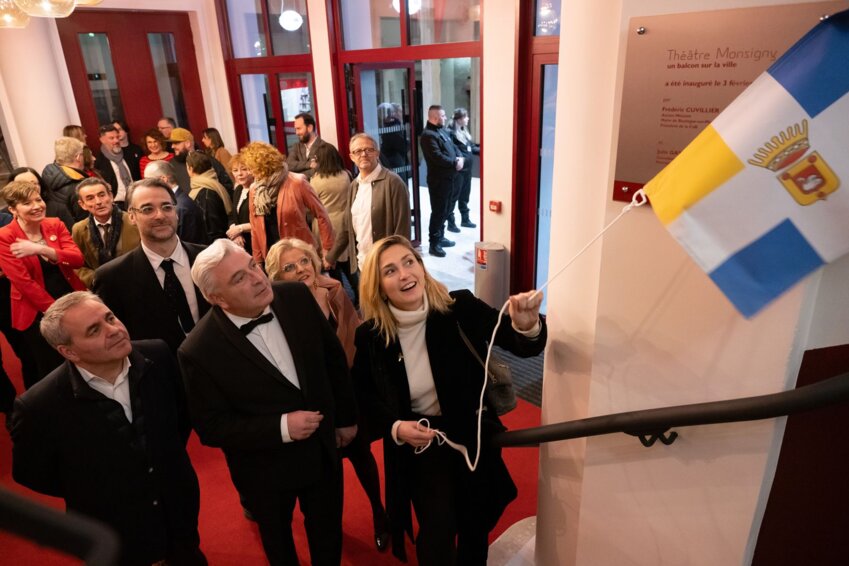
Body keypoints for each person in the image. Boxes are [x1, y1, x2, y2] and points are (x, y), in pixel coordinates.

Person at [352, 235, 547, 565]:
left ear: (422, 267)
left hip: (471, 434)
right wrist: (396, 427)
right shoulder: (372, 336)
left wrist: (527, 325)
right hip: (422, 442)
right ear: (378, 286)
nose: (404, 274)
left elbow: (519, 344)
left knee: (475, 523)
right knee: (437, 529)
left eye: (409, 262)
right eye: (390, 270)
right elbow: (363, 395)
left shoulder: (459, 309)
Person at [178, 239, 358, 566]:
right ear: (216, 298)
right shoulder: (198, 350)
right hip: (263, 469)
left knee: (327, 530)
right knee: (278, 541)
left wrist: (346, 417)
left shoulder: (295, 295)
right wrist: (282, 427)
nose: (258, 278)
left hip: (322, 448)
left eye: (252, 265)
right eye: (239, 279)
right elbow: (211, 427)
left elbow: (333, 359)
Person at [8, 291, 206, 566]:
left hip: (179, 513)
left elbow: (180, 420)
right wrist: (95, 487)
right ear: (68, 351)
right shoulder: (38, 406)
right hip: (114, 534)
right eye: (94, 330)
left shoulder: (158, 354)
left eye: (110, 317)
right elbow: (33, 474)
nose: (113, 330)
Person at [266, 237, 389, 551]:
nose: (301, 270)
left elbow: (354, 331)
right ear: (278, 278)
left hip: (348, 391)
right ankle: (328, 527)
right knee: (326, 472)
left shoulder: (333, 289)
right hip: (312, 401)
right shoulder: (276, 309)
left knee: (363, 457)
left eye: (304, 261)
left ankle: (380, 515)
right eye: (289, 268)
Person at [93, 178, 210, 353]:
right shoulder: (112, 278)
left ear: (176, 211)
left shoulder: (208, 258)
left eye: (167, 207)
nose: (160, 215)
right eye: (148, 209)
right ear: (131, 216)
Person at [0, 181, 86, 386]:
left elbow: (77, 260)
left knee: (84, 355)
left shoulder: (54, 223)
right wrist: (57, 314)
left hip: (69, 295)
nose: (37, 206)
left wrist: (42, 250)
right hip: (36, 310)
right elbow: (24, 284)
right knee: (53, 368)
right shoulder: (5, 237)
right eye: (27, 203)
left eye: (38, 199)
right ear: (13, 209)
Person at [325, 133, 410, 301]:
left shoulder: (393, 182)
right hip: (363, 265)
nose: (363, 154)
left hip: (386, 266)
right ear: (351, 157)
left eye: (368, 150)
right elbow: (347, 227)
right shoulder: (353, 186)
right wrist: (330, 257)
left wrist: (398, 266)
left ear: (377, 153)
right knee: (373, 311)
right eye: (357, 151)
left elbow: (402, 231)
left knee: (391, 310)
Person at [239, 141, 334, 265]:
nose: (250, 173)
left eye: (251, 168)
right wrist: (258, 261)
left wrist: (327, 249)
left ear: (263, 165)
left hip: (300, 254)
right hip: (272, 258)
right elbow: (256, 229)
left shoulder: (297, 182)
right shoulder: (255, 189)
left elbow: (322, 215)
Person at [307, 142, 356, 301]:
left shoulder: (316, 180)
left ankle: (341, 299)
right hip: (344, 222)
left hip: (325, 224)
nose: (312, 162)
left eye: (315, 159)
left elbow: (311, 207)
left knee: (332, 265)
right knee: (349, 266)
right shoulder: (346, 174)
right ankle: (360, 297)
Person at [71, 177, 141, 287]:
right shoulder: (79, 229)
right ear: (82, 204)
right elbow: (77, 265)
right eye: (90, 198)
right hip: (102, 289)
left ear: (111, 196)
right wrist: (96, 279)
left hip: (137, 284)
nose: (98, 202)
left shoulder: (134, 221)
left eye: (102, 195)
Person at [0, 208, 37, 413]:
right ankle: (9, 409)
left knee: (27, 352)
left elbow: (17, 256)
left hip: (7, 298)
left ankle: (35, 401)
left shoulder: (3, 220)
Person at [420, 105, 463, 257]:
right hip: (438, 181)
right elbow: (437, 157)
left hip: (449, 178)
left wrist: (459, 157)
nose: (445, 118)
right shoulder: (428, 135)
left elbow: (453, 146)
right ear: (435, 118)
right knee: (438, 211)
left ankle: (441, 236)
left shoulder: (441, 131)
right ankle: (434, 243)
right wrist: (454, 163)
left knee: (446, 209)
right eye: (443, 116)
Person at [143, 159, 208, 245]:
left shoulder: (180, 207)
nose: (145, 185)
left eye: (148, 180)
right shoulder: (176, 202)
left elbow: (184, 245)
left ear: (163, 179)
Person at [40, 137, 90, 228]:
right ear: (78, 157)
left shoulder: (46, 177)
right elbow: (86, 222)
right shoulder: (79, 185)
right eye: (82, 154)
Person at [169, 127, 234, 197]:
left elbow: (227, 186)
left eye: (176, 143)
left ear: (188, 143)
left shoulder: (207, 160)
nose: (172, 146)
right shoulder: (171, 165)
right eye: (172, 143)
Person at [186, 151, 232, 242]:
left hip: (214, 246)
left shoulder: (206, 193)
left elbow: (213, 229)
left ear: (190, 169)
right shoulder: (214, 184)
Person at [448, 108, 479, 230]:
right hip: (458, 171)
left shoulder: (463, 131)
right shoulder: (450, 133)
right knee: (454, 196)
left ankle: (465, 219)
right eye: (466, 117)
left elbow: (470, 148)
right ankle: (451, 223)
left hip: (467, 169)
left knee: (465, 195)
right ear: (459, 119)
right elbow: (452, 151)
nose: (468, 119)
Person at [286, 112, 338, 180]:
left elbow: (317, 172)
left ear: (310, 128)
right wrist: (309, 164)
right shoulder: (296, 147)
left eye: (299, 129)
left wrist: (296, 173)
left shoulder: (324, 147)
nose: (296, 133)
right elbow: (289, 165)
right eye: (295, 129)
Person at [94, 123, 134, 209]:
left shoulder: (128, 155)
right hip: (116, 205)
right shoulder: (99, 163)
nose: (116, 141)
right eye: (111, 138)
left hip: (134, 199)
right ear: (102, 140)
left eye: (117, 137)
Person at [226, 154, 253, 255]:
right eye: (235, 170)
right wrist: (235, 232)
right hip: (243, 246)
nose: (239, 174)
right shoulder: (238, 190)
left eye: (244, 169)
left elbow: (263, 222)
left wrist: (239, 228)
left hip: (257, 242)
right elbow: (232, 216)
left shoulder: (258, 191)